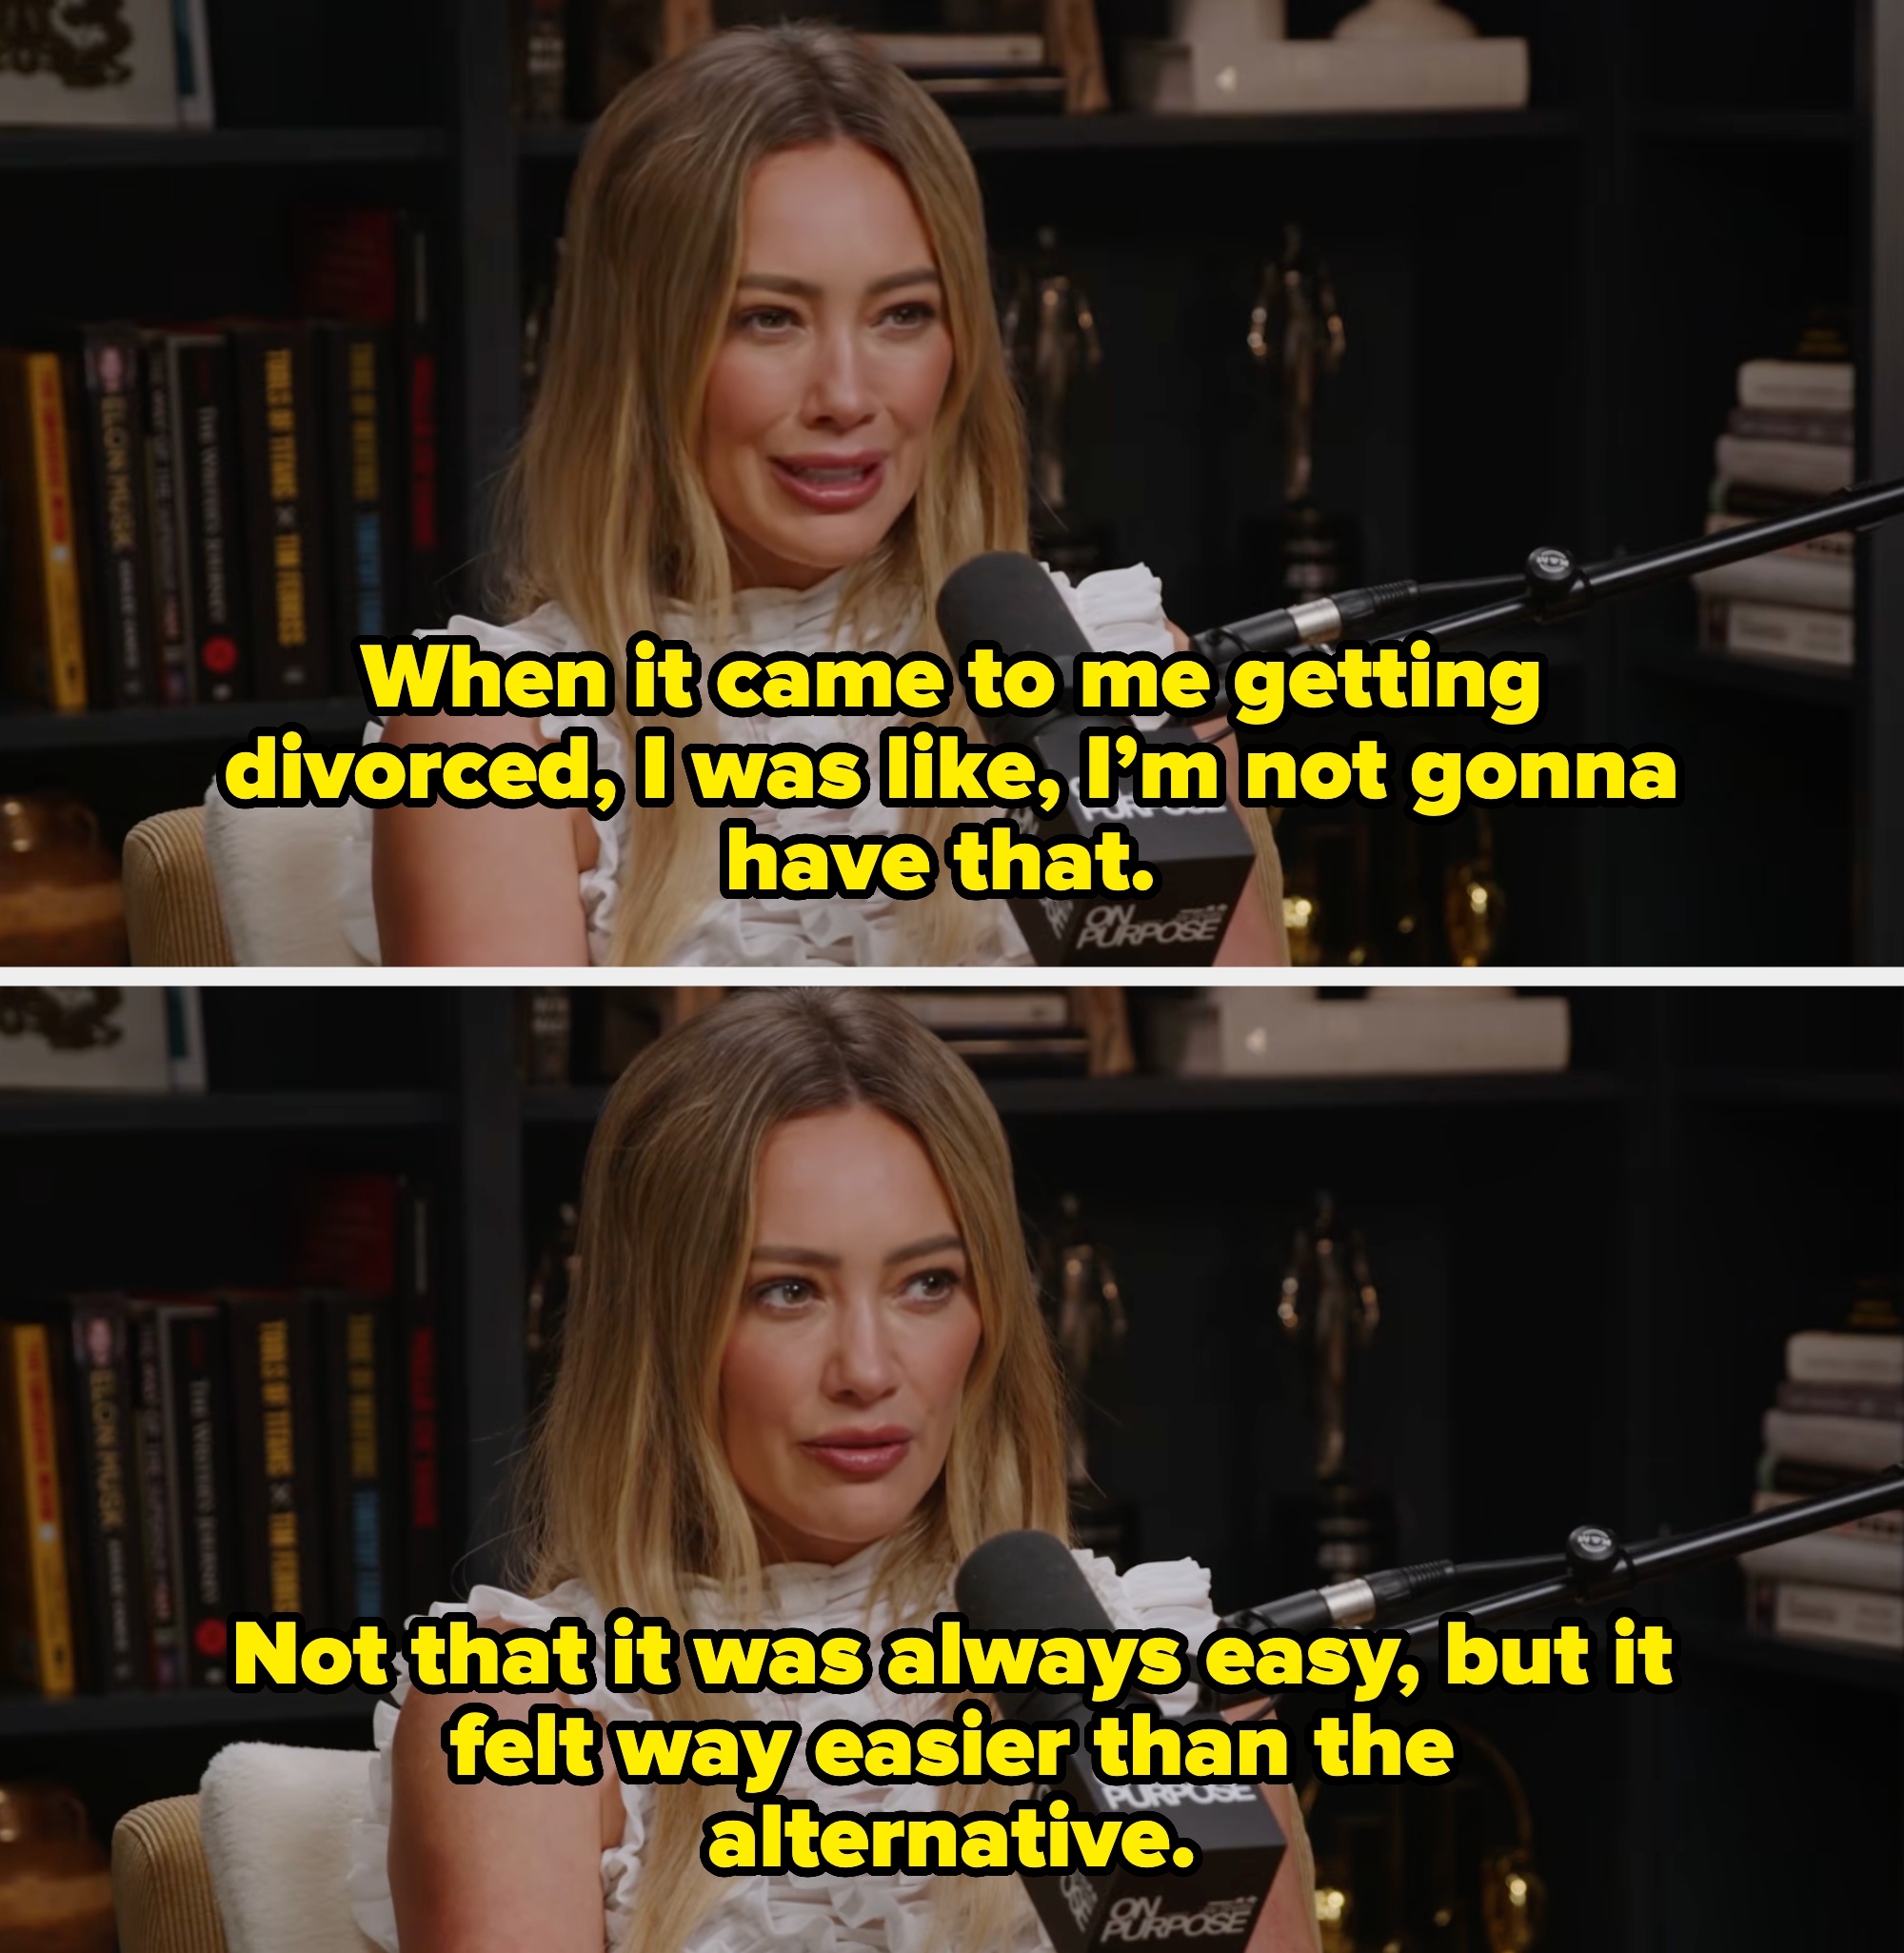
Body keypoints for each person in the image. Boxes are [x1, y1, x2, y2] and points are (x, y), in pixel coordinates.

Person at [349, 988, 1318, 1952]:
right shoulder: (514, 1708)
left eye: (926, 1282)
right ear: (661, 1332)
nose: (866, 1369)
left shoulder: (1164, 1671)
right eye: (786, 1291)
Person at [341, 27, 1285, 967]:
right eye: (768, 319)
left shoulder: (1120, 664)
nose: (845, 396)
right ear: (641, 357)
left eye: (902, 314)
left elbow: (1238, 1068)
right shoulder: (491, 726)